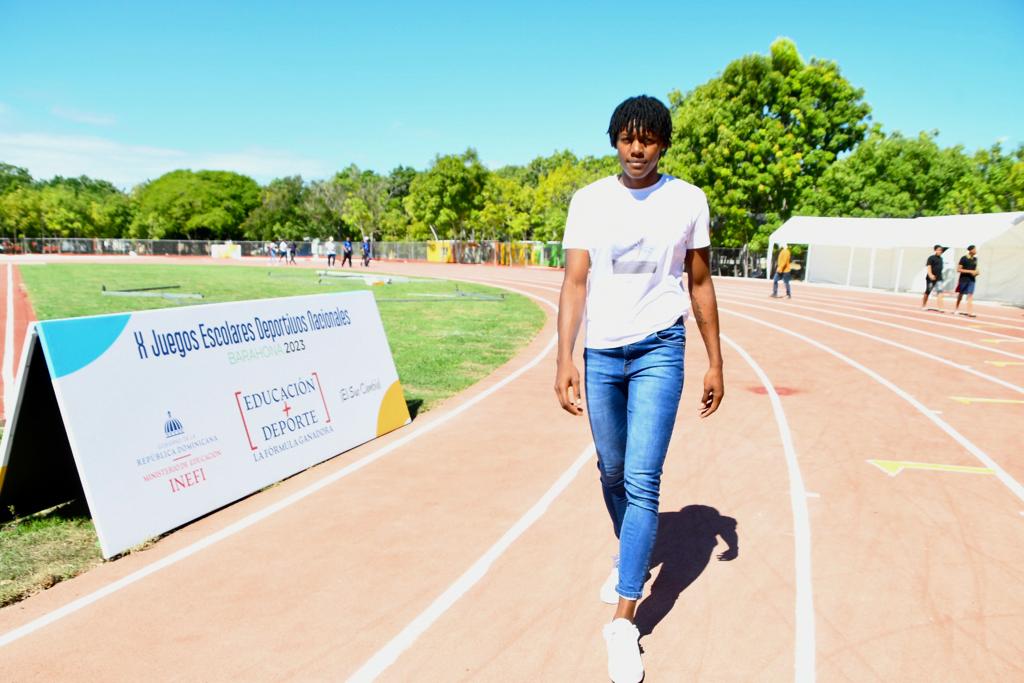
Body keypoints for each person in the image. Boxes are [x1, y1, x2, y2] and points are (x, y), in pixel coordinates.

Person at [554, 95, 724, 683]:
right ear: (614, 141)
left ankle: (624, 621)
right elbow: (575, 282)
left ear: (663, 144)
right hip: (601, 351)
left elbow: (699, 281)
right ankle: (636, 548)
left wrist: (715, 360)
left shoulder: (688, 200)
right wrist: (563, 358)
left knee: (643, 480)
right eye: (627, 138)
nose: (637, 149)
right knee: (610, 470)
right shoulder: (589, 200)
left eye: (648, 138)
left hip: (660, 347)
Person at [955, 244, 979, 317]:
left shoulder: (975, 259)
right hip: (963, 279)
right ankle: (956, 309)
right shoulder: (963, 258)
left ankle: (970, 312)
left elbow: (975, 269)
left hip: (972, 280)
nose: (976, 251)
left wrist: (976, 272)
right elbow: (958, 269)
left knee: (970, 295)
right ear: (970, 250)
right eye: (974, 249)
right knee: (960, 294)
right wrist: (970, 272)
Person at [922, 244, 946, 312]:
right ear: (935, 250)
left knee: (940, 292)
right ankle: (924, 305)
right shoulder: (931, 258)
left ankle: (940, 308)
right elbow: (929, 267)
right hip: (931, 278)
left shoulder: (941, 258)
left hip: (939, 278)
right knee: (928, 291)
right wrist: (930, 275)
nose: (940, 251)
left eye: (941, 250)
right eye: (938, 250)